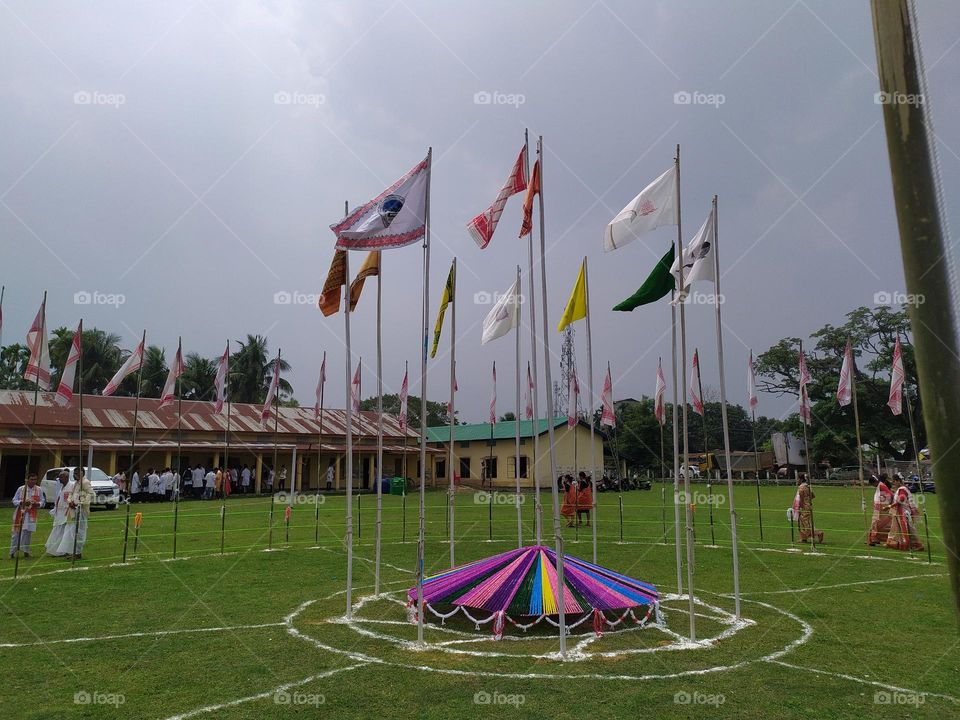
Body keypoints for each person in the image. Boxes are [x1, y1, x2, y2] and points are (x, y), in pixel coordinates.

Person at [55, 467, 93, 559]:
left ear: (82, 474)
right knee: (72, 531)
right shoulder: (76, 483)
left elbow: (91, 494)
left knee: (79, 532)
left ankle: (78, 553)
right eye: (74, 473)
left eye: (77, 473)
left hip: (81, 510)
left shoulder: (85, 482)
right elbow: (70, 494)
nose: (75, 475)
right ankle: (73, 552)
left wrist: (78, 503)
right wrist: (70, 502)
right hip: (73, 510)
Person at [10, 473, 44, 558]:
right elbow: (14, 500)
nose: (33, 481)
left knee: (27, 533)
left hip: (31, 515)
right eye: (31, 479)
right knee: (16, 533)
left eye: (35, 479)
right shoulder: (21, 489)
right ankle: (12, 552)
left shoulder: (39, 489)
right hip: (20, 513)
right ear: (27, 480)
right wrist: (21, 502)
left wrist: (37, 504)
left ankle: (26, 551)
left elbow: (43, 501)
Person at [886, 476, 924, 551]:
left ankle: (907, 545)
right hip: (902, 512)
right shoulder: (902, 489)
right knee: (908, 528)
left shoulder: (902, 489)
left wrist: (890, 506)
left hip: (902, 512)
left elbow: (901, 499)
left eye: (894, 481)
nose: (893, 483)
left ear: (898, 481)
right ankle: (916, 544)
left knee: (906, 529)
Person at [793, 474, 823, 544]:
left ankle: (818, 533)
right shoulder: (807, 486)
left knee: (805, 523)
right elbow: (813, 496)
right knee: (802, 522)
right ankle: (804, 538)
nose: (796, 481)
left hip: (804, 507)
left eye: (797, 479)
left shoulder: (801, 488)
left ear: (800, 479)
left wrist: (799, 508)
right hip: (809, 506)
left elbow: (801, 500)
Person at [868, 474, 893, 546]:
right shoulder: (880, 486)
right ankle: (874, 538)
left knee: (877, 523)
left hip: (882, 509)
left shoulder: (881, 486)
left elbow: (890, 494)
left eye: (872, 485)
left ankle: (875, 538)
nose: (873, 486)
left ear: (874, 483)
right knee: (876, 523)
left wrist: (887, 504)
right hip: (880, 508)